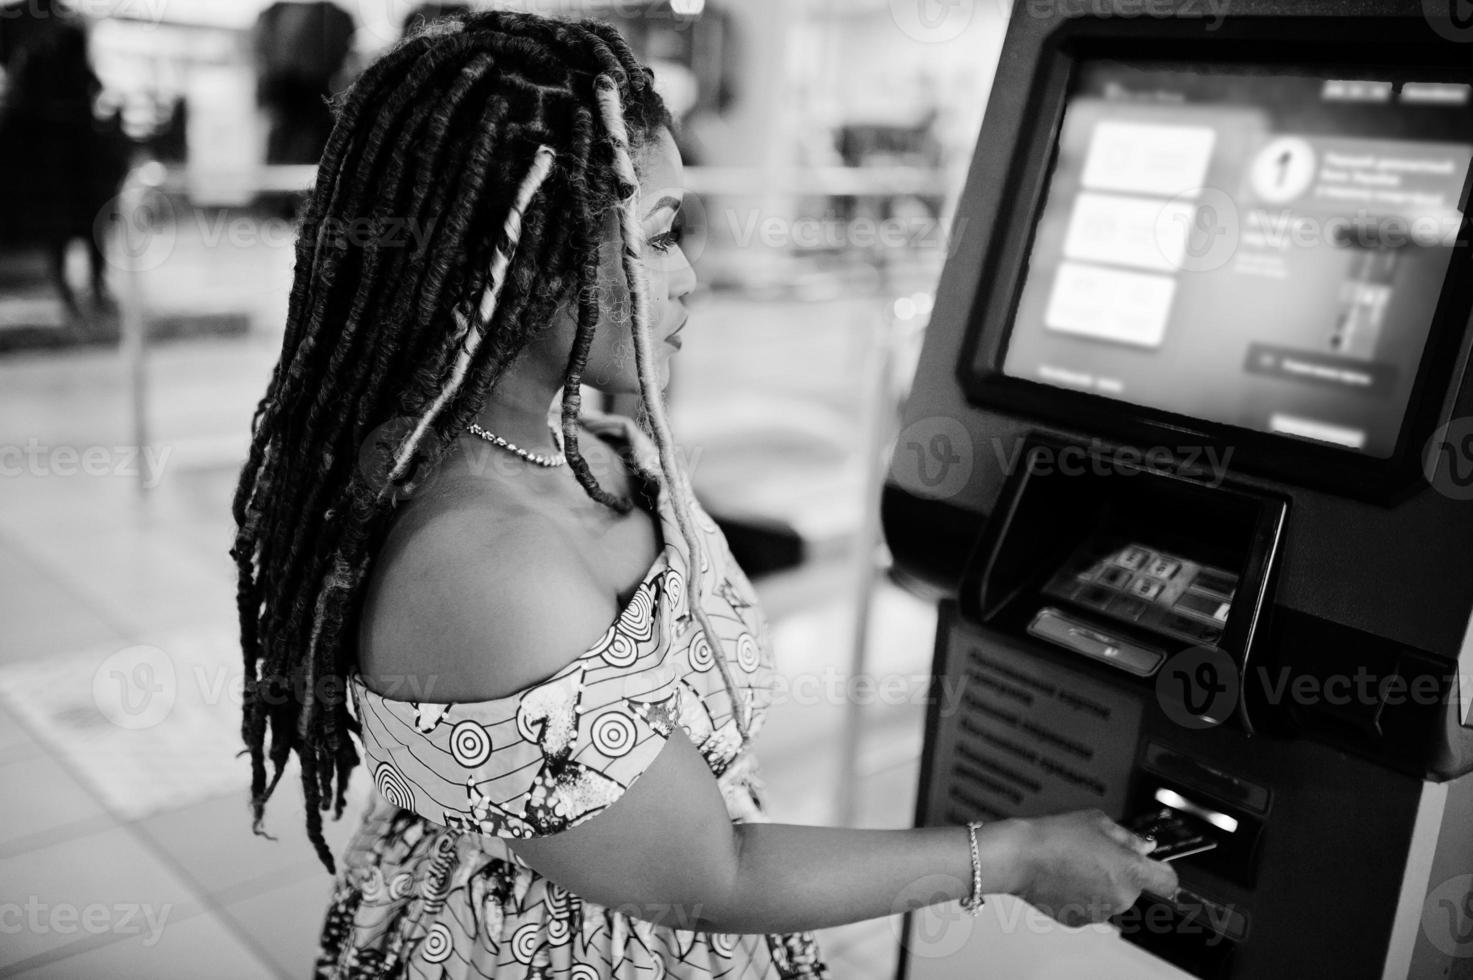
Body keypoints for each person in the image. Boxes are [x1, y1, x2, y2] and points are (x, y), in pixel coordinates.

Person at [229, 11, 1178, 979]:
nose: (691, 275)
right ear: (511, 259)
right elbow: (701, 875)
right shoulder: (485, 563)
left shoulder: (591, 443)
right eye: (661, 233)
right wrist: (1015, 855)